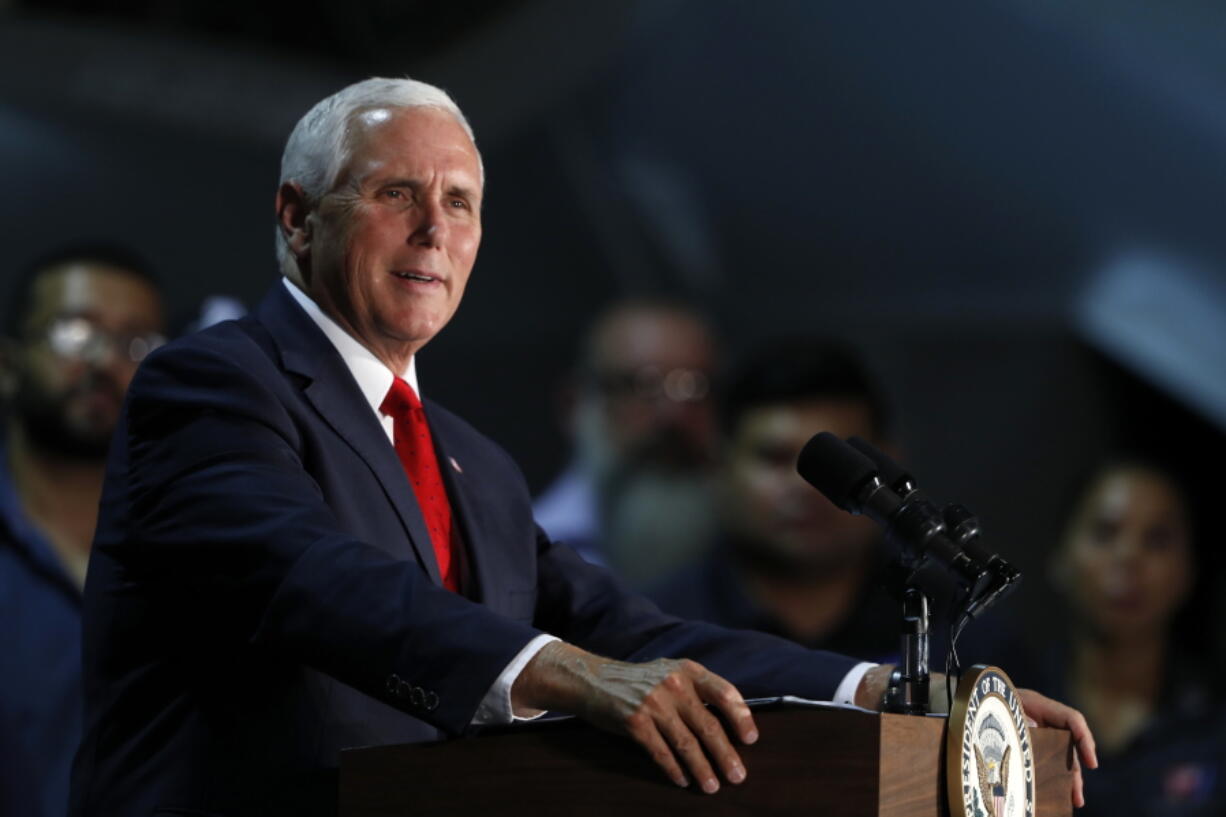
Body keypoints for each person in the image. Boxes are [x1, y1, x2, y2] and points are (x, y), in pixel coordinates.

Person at [69, 77, 1094, 817]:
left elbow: (638, 633)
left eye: (459, 201)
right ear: (297, 218)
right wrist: (569, 675)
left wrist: (889, 694)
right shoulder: (210, 383)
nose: (434, 229)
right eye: (395, 194)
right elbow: (312, 578)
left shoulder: (475, 463)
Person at [0, 245, 166, 817]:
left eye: (136, 344)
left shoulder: (191, 559)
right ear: (8, 365)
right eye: (75, 331)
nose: (105, 362)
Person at [1038, 458, 1224, 816]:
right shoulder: (1010, 706)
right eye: (1105, 533)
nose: (1129, 556)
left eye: (1157, 540)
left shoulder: (1214, 726)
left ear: (1188, 570)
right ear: (1060, 557)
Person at [534, 299, 719, 586]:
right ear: (573, 404)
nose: (674, 413)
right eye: (642, 386)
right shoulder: (524, 555)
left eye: (695, 386)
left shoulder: (764, 551)